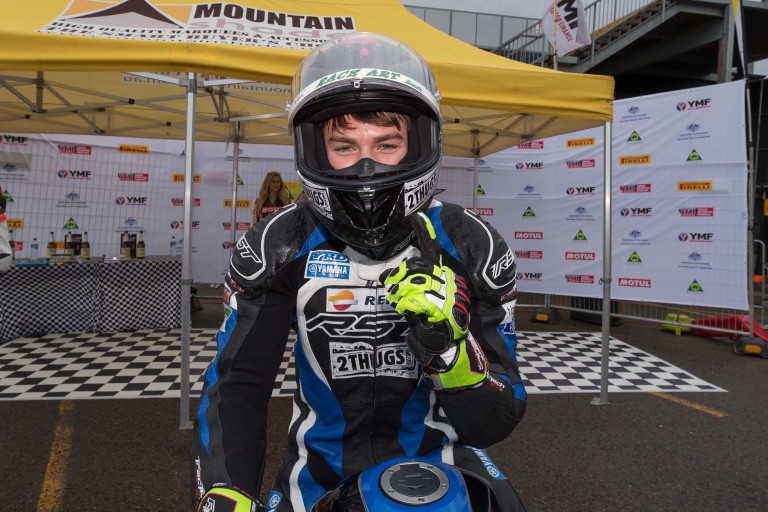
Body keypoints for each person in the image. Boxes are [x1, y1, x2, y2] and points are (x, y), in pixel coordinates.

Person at [192, 33, 527, 512]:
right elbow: (238, 385)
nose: (366, 166)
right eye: (344, 146)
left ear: (418, 144)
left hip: (447, 469)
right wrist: (224, 489)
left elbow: (495, 420)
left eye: (386, 144)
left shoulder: (471, 243)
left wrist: (452, 355)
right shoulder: (278, 243)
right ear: (315, 149)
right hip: (315, 482)